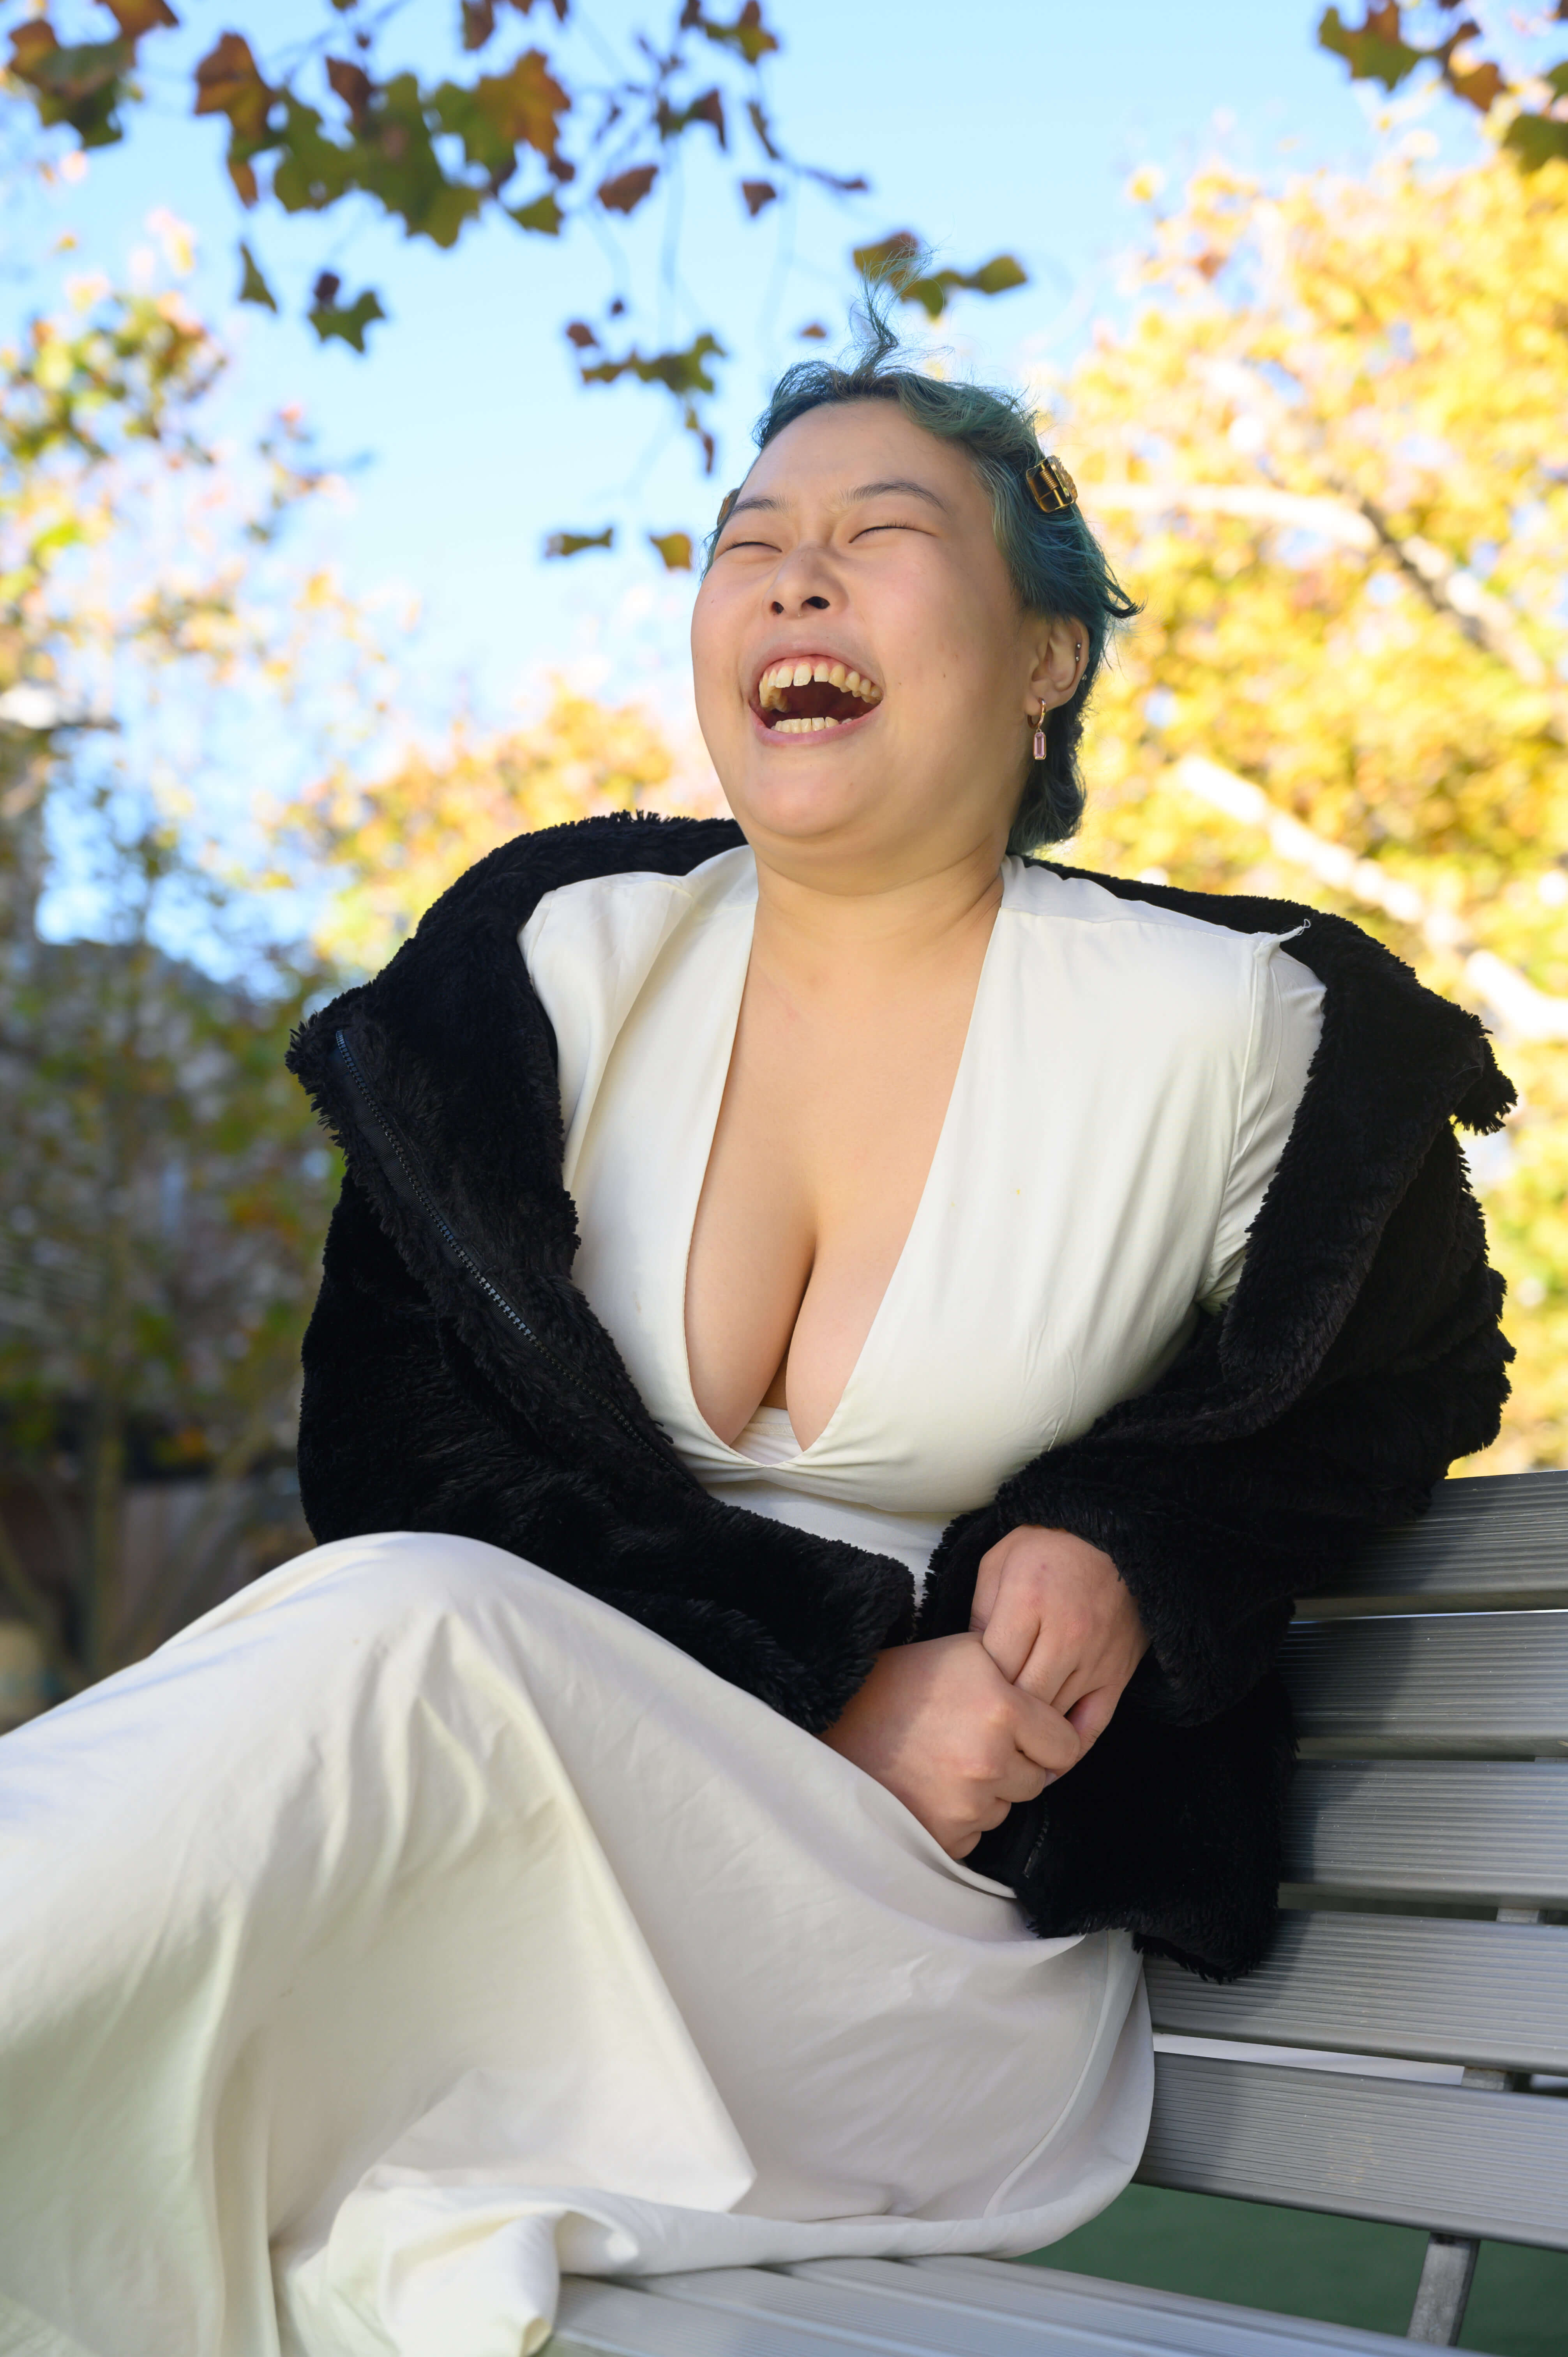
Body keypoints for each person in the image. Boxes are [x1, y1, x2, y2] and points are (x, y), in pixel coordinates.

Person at [0, 307, 1512, 2357]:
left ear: (1046, 656)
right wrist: (824, 1679)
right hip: (500, 1856)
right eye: (747, 541)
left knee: (401, 1637)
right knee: (389, 1644)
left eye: (879, 533)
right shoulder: (547, 968)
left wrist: (1136, 1529)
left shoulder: (1247, 1027)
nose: (794, 576)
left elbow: (1397, 1384)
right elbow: (394, 1452)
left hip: (917, 1939)